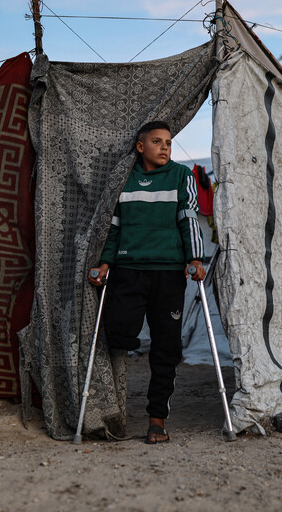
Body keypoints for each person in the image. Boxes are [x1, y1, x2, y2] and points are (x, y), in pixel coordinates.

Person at [89, 120, 205, 444]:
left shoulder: (182, 177)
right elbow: (112, 226)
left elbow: (189, 219)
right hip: (128, 270)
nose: (165, 147)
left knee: (166, 347)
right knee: (118, 336)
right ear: (140, 147)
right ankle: (110, 411)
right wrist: (104, 263)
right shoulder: (123, 180)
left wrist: (195, 259)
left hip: (168, 273)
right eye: (157, 141)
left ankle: (157, 419)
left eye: (168, 142)